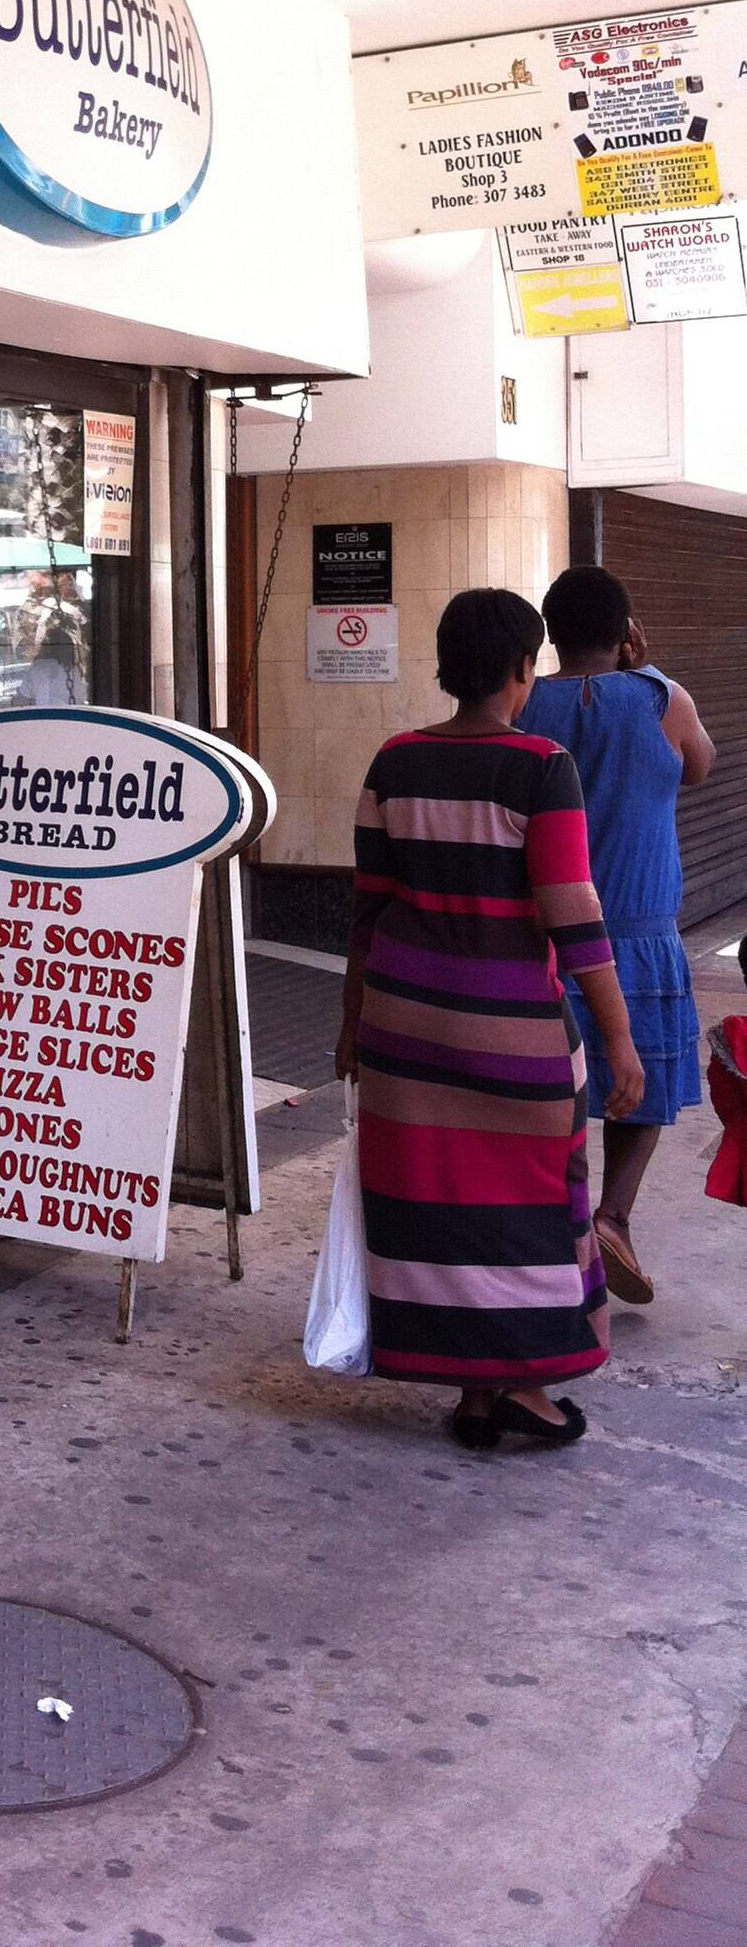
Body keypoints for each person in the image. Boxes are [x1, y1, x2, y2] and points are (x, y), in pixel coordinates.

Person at [336, 587, 644, 1450]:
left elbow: (365, 910)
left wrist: (349, 1022)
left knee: (436, 1202)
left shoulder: (392, 763)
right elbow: (574, 919)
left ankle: (476, 1395)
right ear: (521, 670)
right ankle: (521, 1388)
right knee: (532, 1208)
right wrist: (622, 1043)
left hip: (402, 1031)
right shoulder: (542, 766)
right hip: (514, 1038)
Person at [521, 564, 716, 1306]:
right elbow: (701, 767)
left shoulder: (527, 700)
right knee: (647, 1086)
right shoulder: (663, 698)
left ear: (550, 634)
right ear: (627, 631)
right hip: (640, 930)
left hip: (548, 934)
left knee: (555, 1090)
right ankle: (614, 1218)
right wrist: (651, 668)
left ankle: (553, 1224)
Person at [23, 622, 86, 707]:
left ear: (44, 647)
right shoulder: (75, 670)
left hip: (44, 717)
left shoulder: (38, 668)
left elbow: (22, 698)